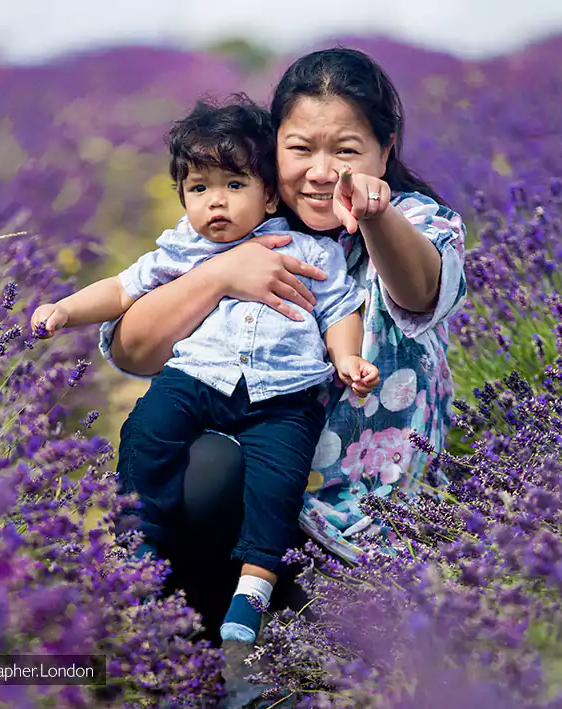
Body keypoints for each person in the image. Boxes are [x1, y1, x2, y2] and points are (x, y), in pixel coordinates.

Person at [99, 47, 467, 644]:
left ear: (386, 151)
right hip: (263, 499)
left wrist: (374, 216)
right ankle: (183, 645)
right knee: (200, 468)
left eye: (346, 151)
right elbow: (132, 351)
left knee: (339, 650)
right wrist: (220, 275)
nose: (322, 172)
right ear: (273, 151)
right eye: (300, 150)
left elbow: (419, 287)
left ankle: (274, 641)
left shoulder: (418, 222)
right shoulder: (245, 229)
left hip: (367, 516)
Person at [30, 96, 380, 644]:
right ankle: (138, 543)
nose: (215, 202)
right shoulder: (183, 248)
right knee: (146, 433)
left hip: (282, 395)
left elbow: (341, 310)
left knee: (277, 484)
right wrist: (65, 310)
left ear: (269, 196)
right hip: (199, 379)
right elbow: (124, 288)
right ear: (182, 197)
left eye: (234, 186)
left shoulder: (311, 251)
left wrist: (347, 358)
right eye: (199, 188)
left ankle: (253, 593)